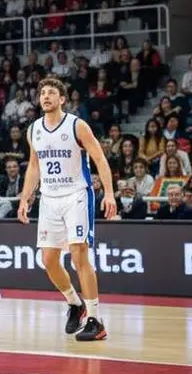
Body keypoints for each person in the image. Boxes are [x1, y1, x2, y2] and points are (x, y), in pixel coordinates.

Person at [17, 77, 117, 343]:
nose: (46, 96)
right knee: (48, 260)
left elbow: (99, 158)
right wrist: (25, 198)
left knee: (78, 255)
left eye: (51, 93)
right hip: (49, 198)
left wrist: (109, 192)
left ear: (62, 99)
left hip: (76, 196)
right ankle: (75, 304)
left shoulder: (77, 125)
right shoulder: (33, 130)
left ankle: (96, 319)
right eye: (42, 93)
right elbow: (34, 166)